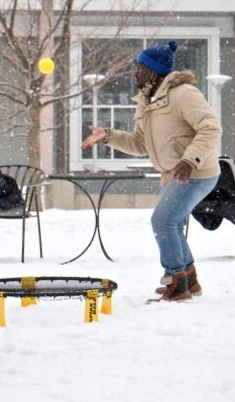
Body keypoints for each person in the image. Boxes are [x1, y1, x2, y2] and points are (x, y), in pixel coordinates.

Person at [81, 41, 222, 302]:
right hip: (175, 173)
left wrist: (189, 160)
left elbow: (211, 128)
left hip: (197, 171)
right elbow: (140, 144)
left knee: (163, 221)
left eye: (140, 67)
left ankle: (176, 283)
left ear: (155, 72)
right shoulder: (146, 101)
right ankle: (188, 279)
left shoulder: (184, 94)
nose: (135, 72)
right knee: (173, 223)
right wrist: (109, 136)